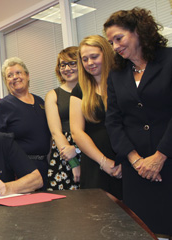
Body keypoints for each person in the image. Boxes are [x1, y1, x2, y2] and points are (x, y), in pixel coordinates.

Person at [104, 7, 172, 237]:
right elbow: (113, 120)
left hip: (168, 159)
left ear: (138, 32)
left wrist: (160, 156)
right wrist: (136, 161)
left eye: (118, 38)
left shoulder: (169, 59)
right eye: (110, 42)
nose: (115, 46)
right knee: (141, 230)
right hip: (137, 169)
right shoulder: (116, 74)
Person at [69, 35, 122, 200]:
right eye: (85, 59)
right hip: (94, 162)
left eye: (94, 57)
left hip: (125, 158)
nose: (90, 63)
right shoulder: (80, 90)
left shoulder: (122, 81)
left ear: (105, 54)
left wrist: (129, 160)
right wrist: (104, 162)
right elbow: (77, 132)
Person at [0, 57, 51, 190]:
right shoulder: (2, 107)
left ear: (27, 76)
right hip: (19, 170)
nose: (15, 77)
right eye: (9, 76)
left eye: (18, 73)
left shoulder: (40, 102)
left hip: (45, 167)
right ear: (6, 82)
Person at [45, 47, 80, 191]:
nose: (67, 68)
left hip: (90, 150)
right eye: (63, 65)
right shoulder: (53, 95)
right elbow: (56, 133)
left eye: (72, 63)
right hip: (65, 155)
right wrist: (74, 163)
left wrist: (79, 150)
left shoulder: (92, 91)